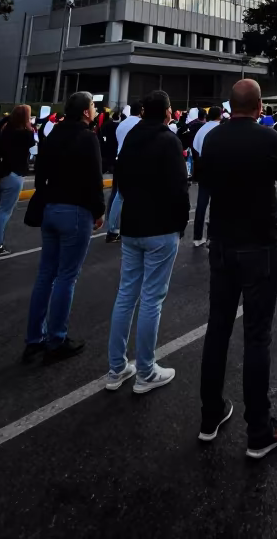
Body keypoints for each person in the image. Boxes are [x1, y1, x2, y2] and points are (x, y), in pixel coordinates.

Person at [197, 79, 277, 459]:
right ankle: (259, 429)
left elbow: (203, 178)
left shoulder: (213, 139)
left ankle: (210, 415)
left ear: (230, 106)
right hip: (259, 245)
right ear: (258, 107)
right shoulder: (267, 138)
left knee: (217, 328)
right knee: (257, 335)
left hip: (221, 243)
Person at [105, 91, 189, 393]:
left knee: (126, 294)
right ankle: (145, 371)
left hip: (133, 225)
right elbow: (181, 187)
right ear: (166, 112)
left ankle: (116, 368)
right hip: (161, 227)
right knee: (152, 298)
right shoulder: (168, 140)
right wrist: (181, 222)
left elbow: (121, 182)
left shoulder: (132, 137)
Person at [23, 91, 105, 363]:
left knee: (45, 274)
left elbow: (40, 173)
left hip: (50, 207)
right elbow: (94, 178)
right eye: (93, 106)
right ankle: (56, 339)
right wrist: (98, 210)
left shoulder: (53, 134)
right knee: (66, 276)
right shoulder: (87, 137)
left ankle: (34, 338)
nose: (94, 110)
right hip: (75, 210)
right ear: (85, 112)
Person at [0, 104, 35, 257]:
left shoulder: (5, 129)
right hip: (14, 174)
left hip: (1, 173)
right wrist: (30, 127)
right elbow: (31, 144)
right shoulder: (24, 133)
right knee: (4, 212)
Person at [105, 102, 142, 244]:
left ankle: (113, 229)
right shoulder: (140, 124)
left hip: (120, 160)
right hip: (133, 161)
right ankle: (126, 228)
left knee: (118, 195)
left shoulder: (122, 124)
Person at [192, 107, 223, 247]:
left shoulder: (201, 129)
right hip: (218, 169)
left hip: (203, 168)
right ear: (220, 116)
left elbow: (195, 146)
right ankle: (213, 237)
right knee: (217, 204)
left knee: (201, 204)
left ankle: (197, 237)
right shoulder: (221, 129)